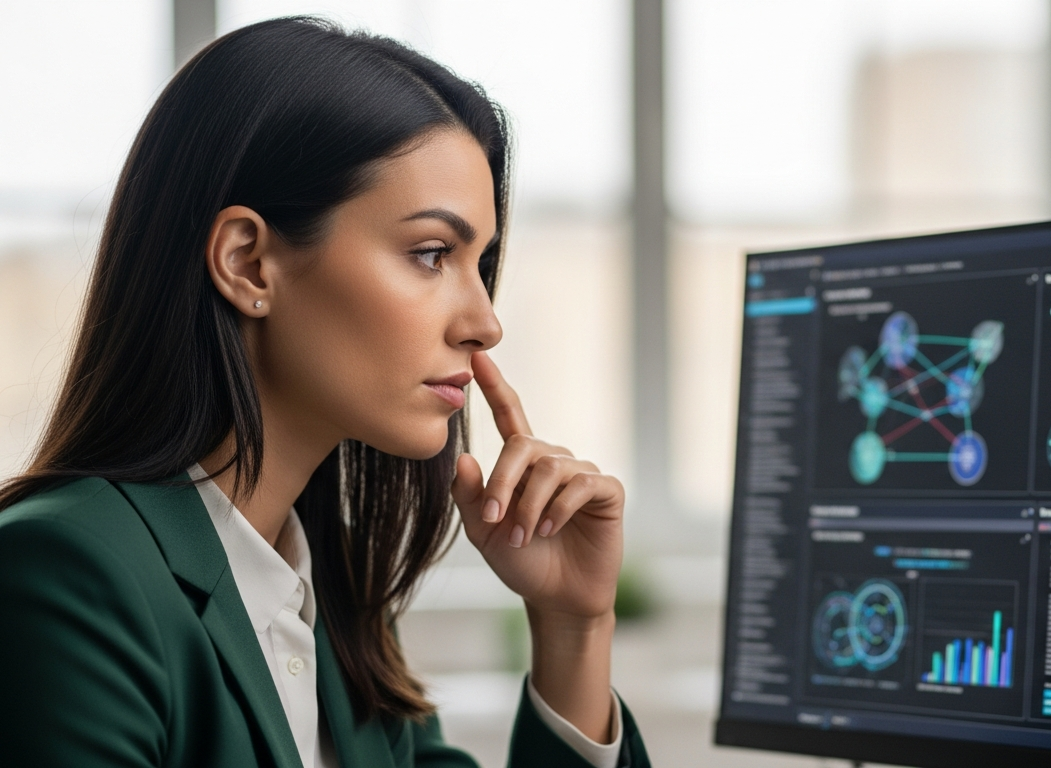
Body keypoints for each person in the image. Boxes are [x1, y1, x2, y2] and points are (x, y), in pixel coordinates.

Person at [0, 17, 649, 768]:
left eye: (482, 261)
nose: (484, 322)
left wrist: (574, 626)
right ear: (247, 264)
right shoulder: (66, 576)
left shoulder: (330, 608)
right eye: (432, 253)